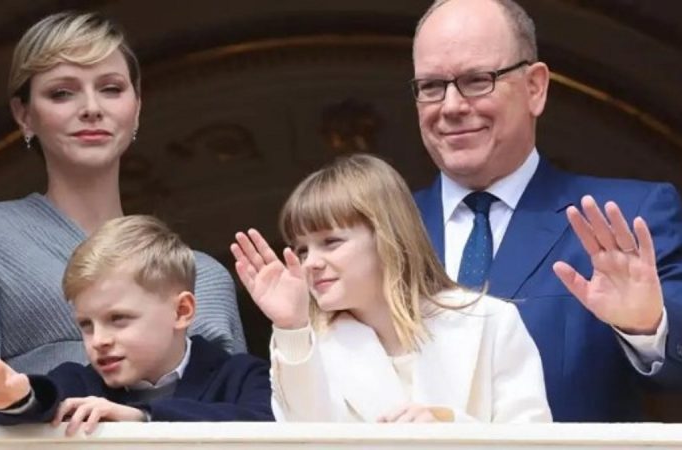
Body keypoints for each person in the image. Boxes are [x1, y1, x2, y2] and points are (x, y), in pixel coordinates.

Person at [411, 0, 682, 421]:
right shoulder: (375, 231)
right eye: (432, 85)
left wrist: (648, 324)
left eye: (477, 80)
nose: (450, 106)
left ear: (535, 88)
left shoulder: (622, 218)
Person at [0, 11, 245, 421]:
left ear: (136, 107)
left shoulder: (206, 278)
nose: (92, 108)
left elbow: (242, 424)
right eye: (62, 93)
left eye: (111, 89)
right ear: (23, 114)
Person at [231, 154, 551, 423]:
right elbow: (307, 435)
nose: (310, 262)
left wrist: (450, 428)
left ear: (388, 237)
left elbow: (534, 441)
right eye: (302, 250)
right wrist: (291, 327)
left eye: (331, 242)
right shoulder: (303, 346)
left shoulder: (492, 321)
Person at [0, 215, 273, 435]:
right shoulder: (78, 380)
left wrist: (143, 418)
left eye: (119, 319)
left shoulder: (243, 375)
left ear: (182, 311)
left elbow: (265, 426)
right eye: (86, 324)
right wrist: (15, 396)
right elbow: (38, 408)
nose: (99, 340)